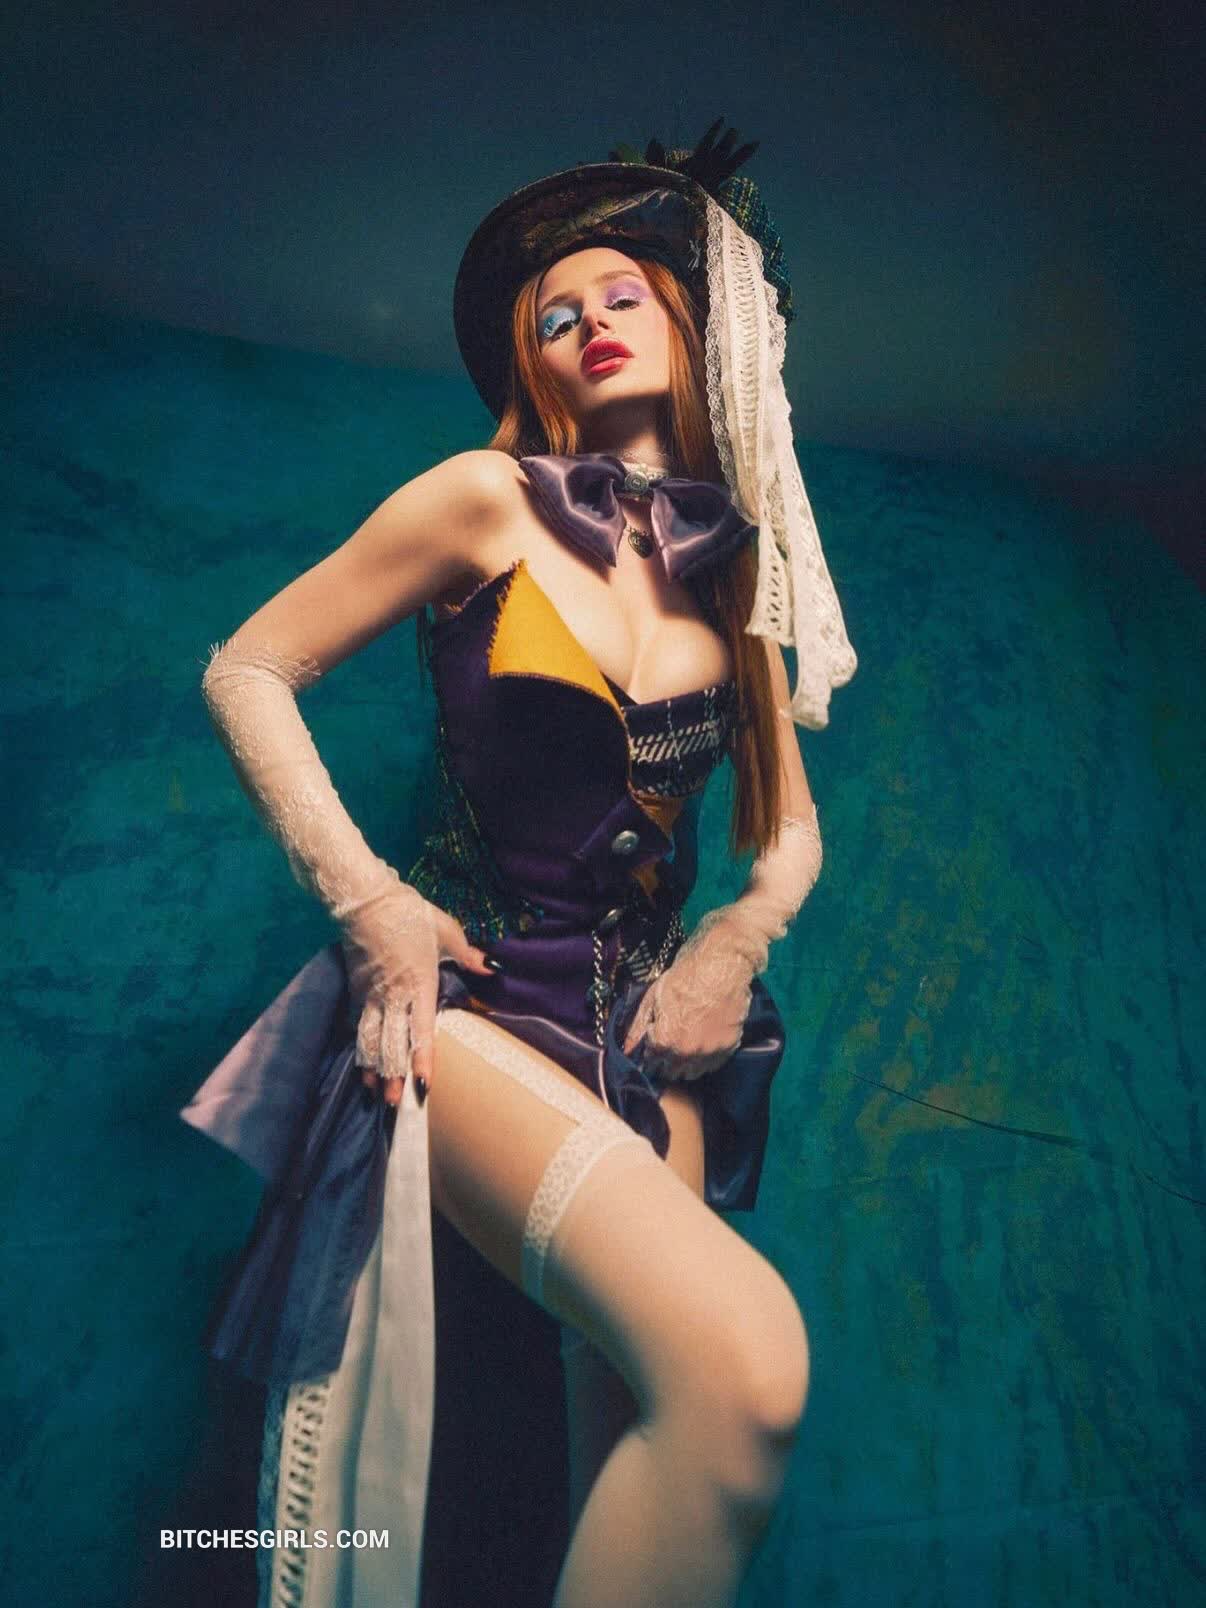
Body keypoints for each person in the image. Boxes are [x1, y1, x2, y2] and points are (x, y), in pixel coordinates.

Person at [181, 119, 857, 1608]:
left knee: (638, 1446)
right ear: (530, 366)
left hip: (658, 1047)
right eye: (556, 317)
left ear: (690, 325)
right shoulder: (482, 501)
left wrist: (734, 940)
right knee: (745, 1371)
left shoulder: (735, 573)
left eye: (622, 295)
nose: (589, 324)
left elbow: (788, 826)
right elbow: (246, 669)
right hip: (478, 1011)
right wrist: (369, 902)